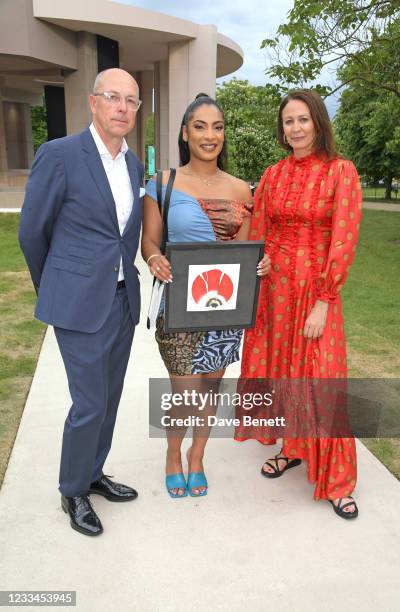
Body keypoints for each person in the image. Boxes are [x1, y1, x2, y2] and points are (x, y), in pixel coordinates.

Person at [19, 68, 144, 536]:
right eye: (114, 97)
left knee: (109, 400)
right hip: (78, 304)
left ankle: (93, 474)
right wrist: (54, 285)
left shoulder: (133, 165)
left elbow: (122, 233)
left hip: (121, 299)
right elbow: (32, 231)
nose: (123, 108)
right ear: (93, 102)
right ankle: (72, 490)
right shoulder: (60, 155)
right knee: (89, 402)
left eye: (131, 101)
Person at [236, 89, 362, 519]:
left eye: (303, 119)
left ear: (318, 122)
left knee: (321, 380)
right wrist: (262, 257)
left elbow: (343, 239)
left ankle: (338, 481)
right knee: (283, 372)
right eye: (288, 121)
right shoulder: (272, 174)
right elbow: (262, 230)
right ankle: (292, 447)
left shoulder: (340, 172)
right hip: (276, 293)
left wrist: (325, 301)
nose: (296, 128)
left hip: (315, 293)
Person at [141, 94, 270, 498]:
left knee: (211, 388)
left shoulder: (242, 190)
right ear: (185, 132)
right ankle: (173, 454)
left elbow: (246, 252)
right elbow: (149, 240)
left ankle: (197, 457)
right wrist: (154, 257)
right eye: (200, 126)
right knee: (184, 391)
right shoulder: (162, 183)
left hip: (224, 310)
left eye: (217, 127)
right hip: (178, 308)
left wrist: (259, 265)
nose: (209, 135)